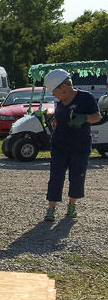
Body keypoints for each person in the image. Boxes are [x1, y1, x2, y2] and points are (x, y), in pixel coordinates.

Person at [42, 68, 102, 221]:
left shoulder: (85, 98)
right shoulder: (60, 101)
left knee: (77, 176)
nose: (53, 95)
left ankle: (72, 205)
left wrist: (83, 118)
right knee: (56, 176)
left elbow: (97, 117)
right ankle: (51, 208)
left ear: (63, 87)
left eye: (54, 91)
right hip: (59, 144)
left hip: (80, 145)